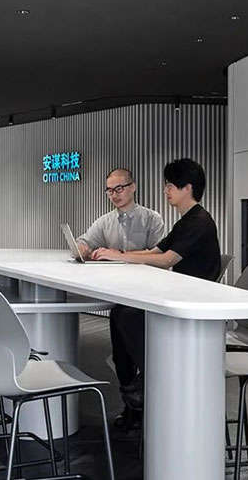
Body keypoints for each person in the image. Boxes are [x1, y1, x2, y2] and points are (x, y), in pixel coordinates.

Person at [93, 158, 222, 412]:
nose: (166, 190)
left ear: (188, 188)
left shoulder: (199, 221)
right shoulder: (185, 220)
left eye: (170, 186)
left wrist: (119, 256)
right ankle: (133, 389)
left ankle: (154, 377)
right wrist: (117, 253)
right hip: (180, 296)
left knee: (128, 316)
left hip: (191, 304)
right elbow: (155, 251)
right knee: (121, 313)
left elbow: (166, 260)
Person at [76, 167, 164, 430]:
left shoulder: (152, 219)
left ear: (133, 187)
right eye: (109, 190)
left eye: (119, 188)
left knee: (136, 349)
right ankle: (131, 405)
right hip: (120, 295)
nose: (114, 194)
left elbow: (159, 255)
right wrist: (82, 248)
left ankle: (148, 400)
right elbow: (84, 240)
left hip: (147, 295)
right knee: (120, 354)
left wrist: (120, 254)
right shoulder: (105, 222)